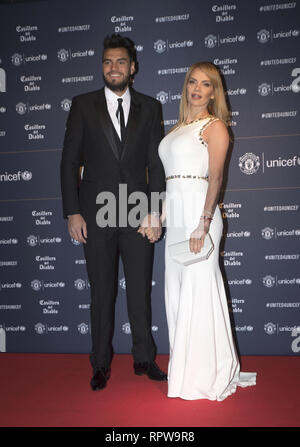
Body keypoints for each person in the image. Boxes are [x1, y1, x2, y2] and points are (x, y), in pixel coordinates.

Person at [60, 34, 167, 391]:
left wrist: (154, 210)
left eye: (121, 62)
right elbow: (69, 162)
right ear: (101, 66)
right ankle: (100, 364)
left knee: (139, 291)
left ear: (133, 67)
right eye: (107, 62)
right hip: (96, 214)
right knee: (101, 293)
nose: (113, 68)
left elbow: (155, 163)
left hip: (137, 212)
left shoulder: (151, 108)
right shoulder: (82, 105)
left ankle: (143, 358)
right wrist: (73, 212)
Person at [149, 62, 256, 400]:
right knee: (178, 296)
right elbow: (172, 181)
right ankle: (184, 373)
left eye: (205, 84)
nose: (196, 88)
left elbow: (216, 178)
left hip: (199, 217)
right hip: (178, 217)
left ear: (214, 91)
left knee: (199, 293)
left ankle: (206, 375)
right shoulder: (179, 127)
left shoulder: (215, 126)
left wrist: (204, 222)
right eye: (192, 82)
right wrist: (157, 217)